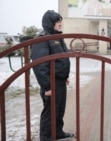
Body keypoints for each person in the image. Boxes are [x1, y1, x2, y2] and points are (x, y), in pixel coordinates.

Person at [31, 10, 74, 140]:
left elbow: (62, 59)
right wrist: (47, 87)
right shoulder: (43, 39)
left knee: (59, 110)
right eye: (57, 22)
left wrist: (65, 76)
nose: (60, 24)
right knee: (50, 112)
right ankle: (46, 137)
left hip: (60, 81)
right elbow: (40, 66)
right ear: (50, 23)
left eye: (60, 22)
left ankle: (58, 133)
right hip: (51, 82)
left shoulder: (57, 38)